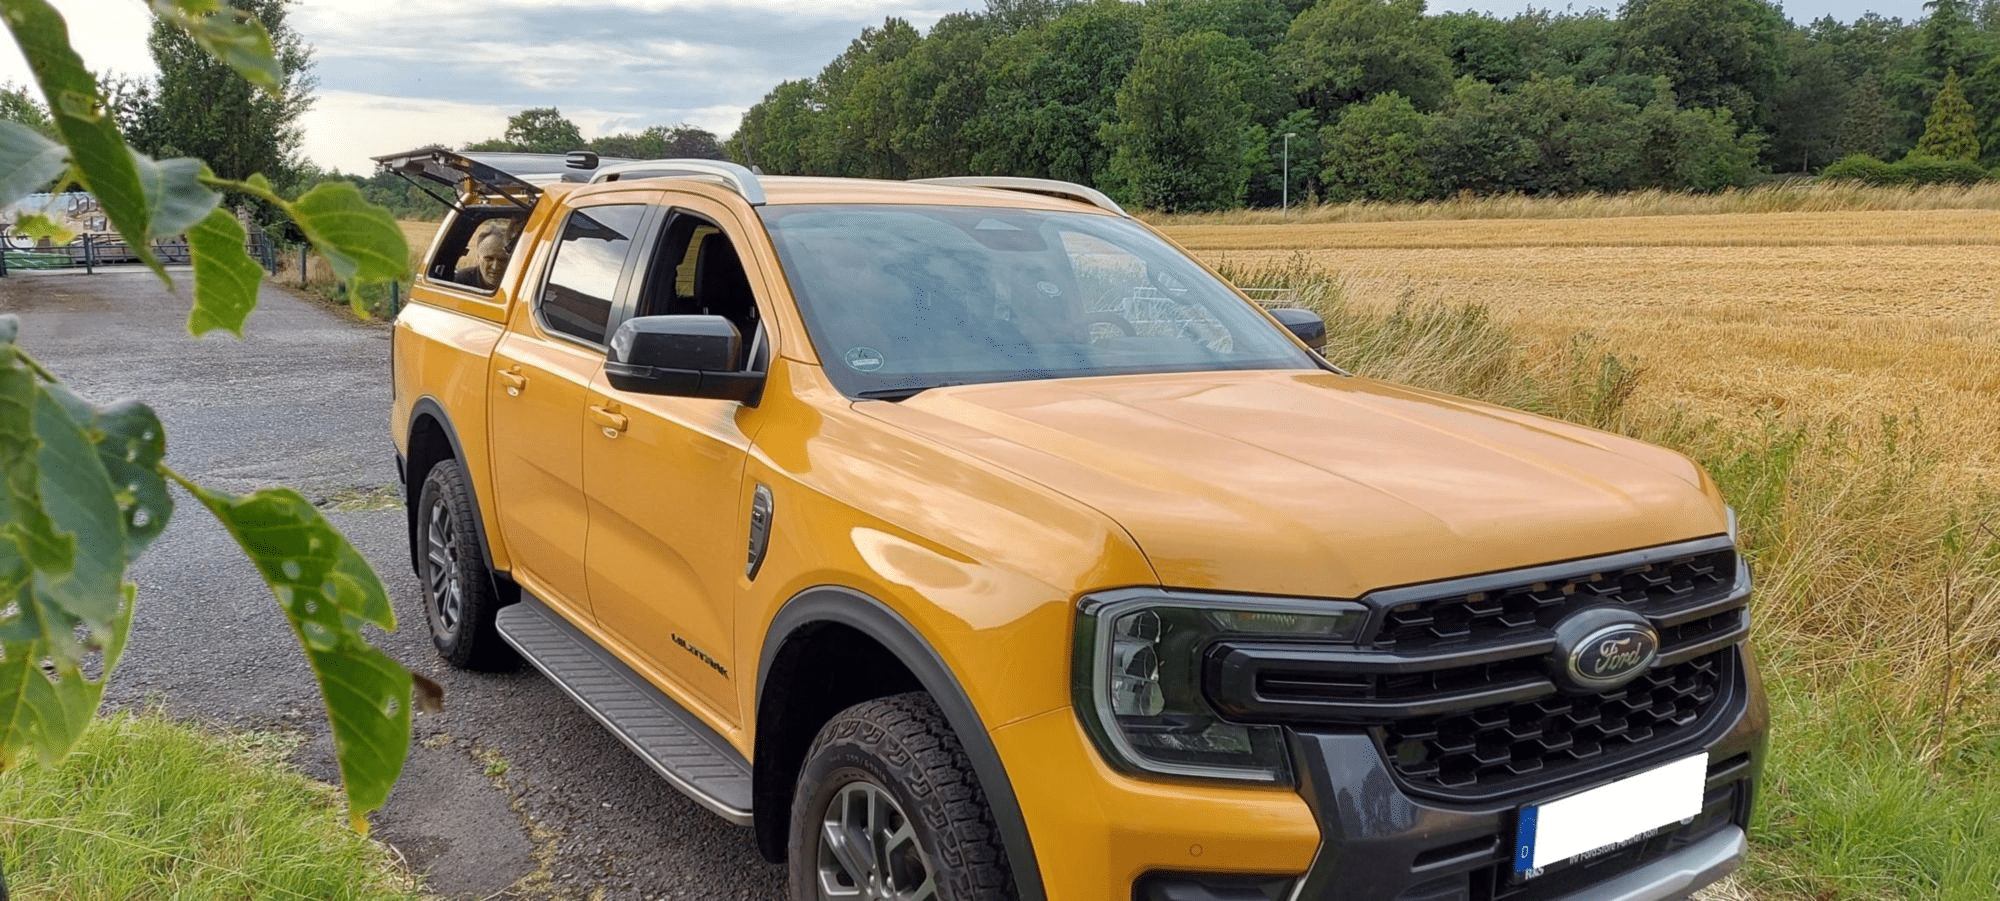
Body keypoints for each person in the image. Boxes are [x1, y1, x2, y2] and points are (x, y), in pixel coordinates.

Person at [454, 217, 521, 289]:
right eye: (489, 258)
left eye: (502, 260)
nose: (495, 267)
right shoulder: (462, 281)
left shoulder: (519, 283)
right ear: (478, 258)